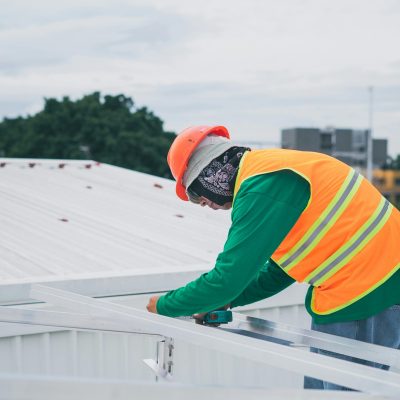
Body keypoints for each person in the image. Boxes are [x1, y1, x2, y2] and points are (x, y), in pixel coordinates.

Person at [146, 125, 400, 390]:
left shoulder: (261, 186)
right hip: (377, 282)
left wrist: (163, 306)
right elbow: (278, 273)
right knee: (320, 391)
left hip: (366, 288)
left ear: (209, 172)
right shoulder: (271, 173)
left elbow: (226, 279)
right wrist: (229, 300)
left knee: (340, 394)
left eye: (195, 193)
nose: (201, 203)